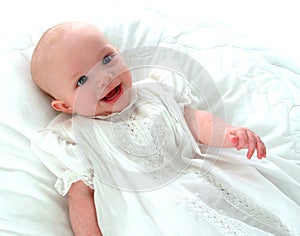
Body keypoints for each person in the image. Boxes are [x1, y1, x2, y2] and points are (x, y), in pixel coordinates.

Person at [31, 21, 295, 236]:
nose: (104, 77)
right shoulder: (76, 137)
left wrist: (229, 134)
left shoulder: (155, 91)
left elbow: (194, 121)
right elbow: (80, 197)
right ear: (65, 106)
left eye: (107, 59)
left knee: (261, 209)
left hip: (200, 176)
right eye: (83, 80)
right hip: (149, 214)